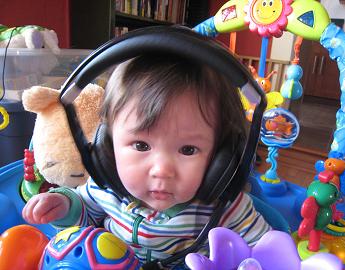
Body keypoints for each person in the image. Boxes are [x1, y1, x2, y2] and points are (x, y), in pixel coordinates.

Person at [22, 53, 271, 268]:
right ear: (107, 146)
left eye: (188, 149)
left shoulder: (224, 207)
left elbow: (266, 252)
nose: (162, 170)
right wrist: (64, 206)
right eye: (141, 145)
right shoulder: (106, 188)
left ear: (222, 157)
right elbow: (85, 215)